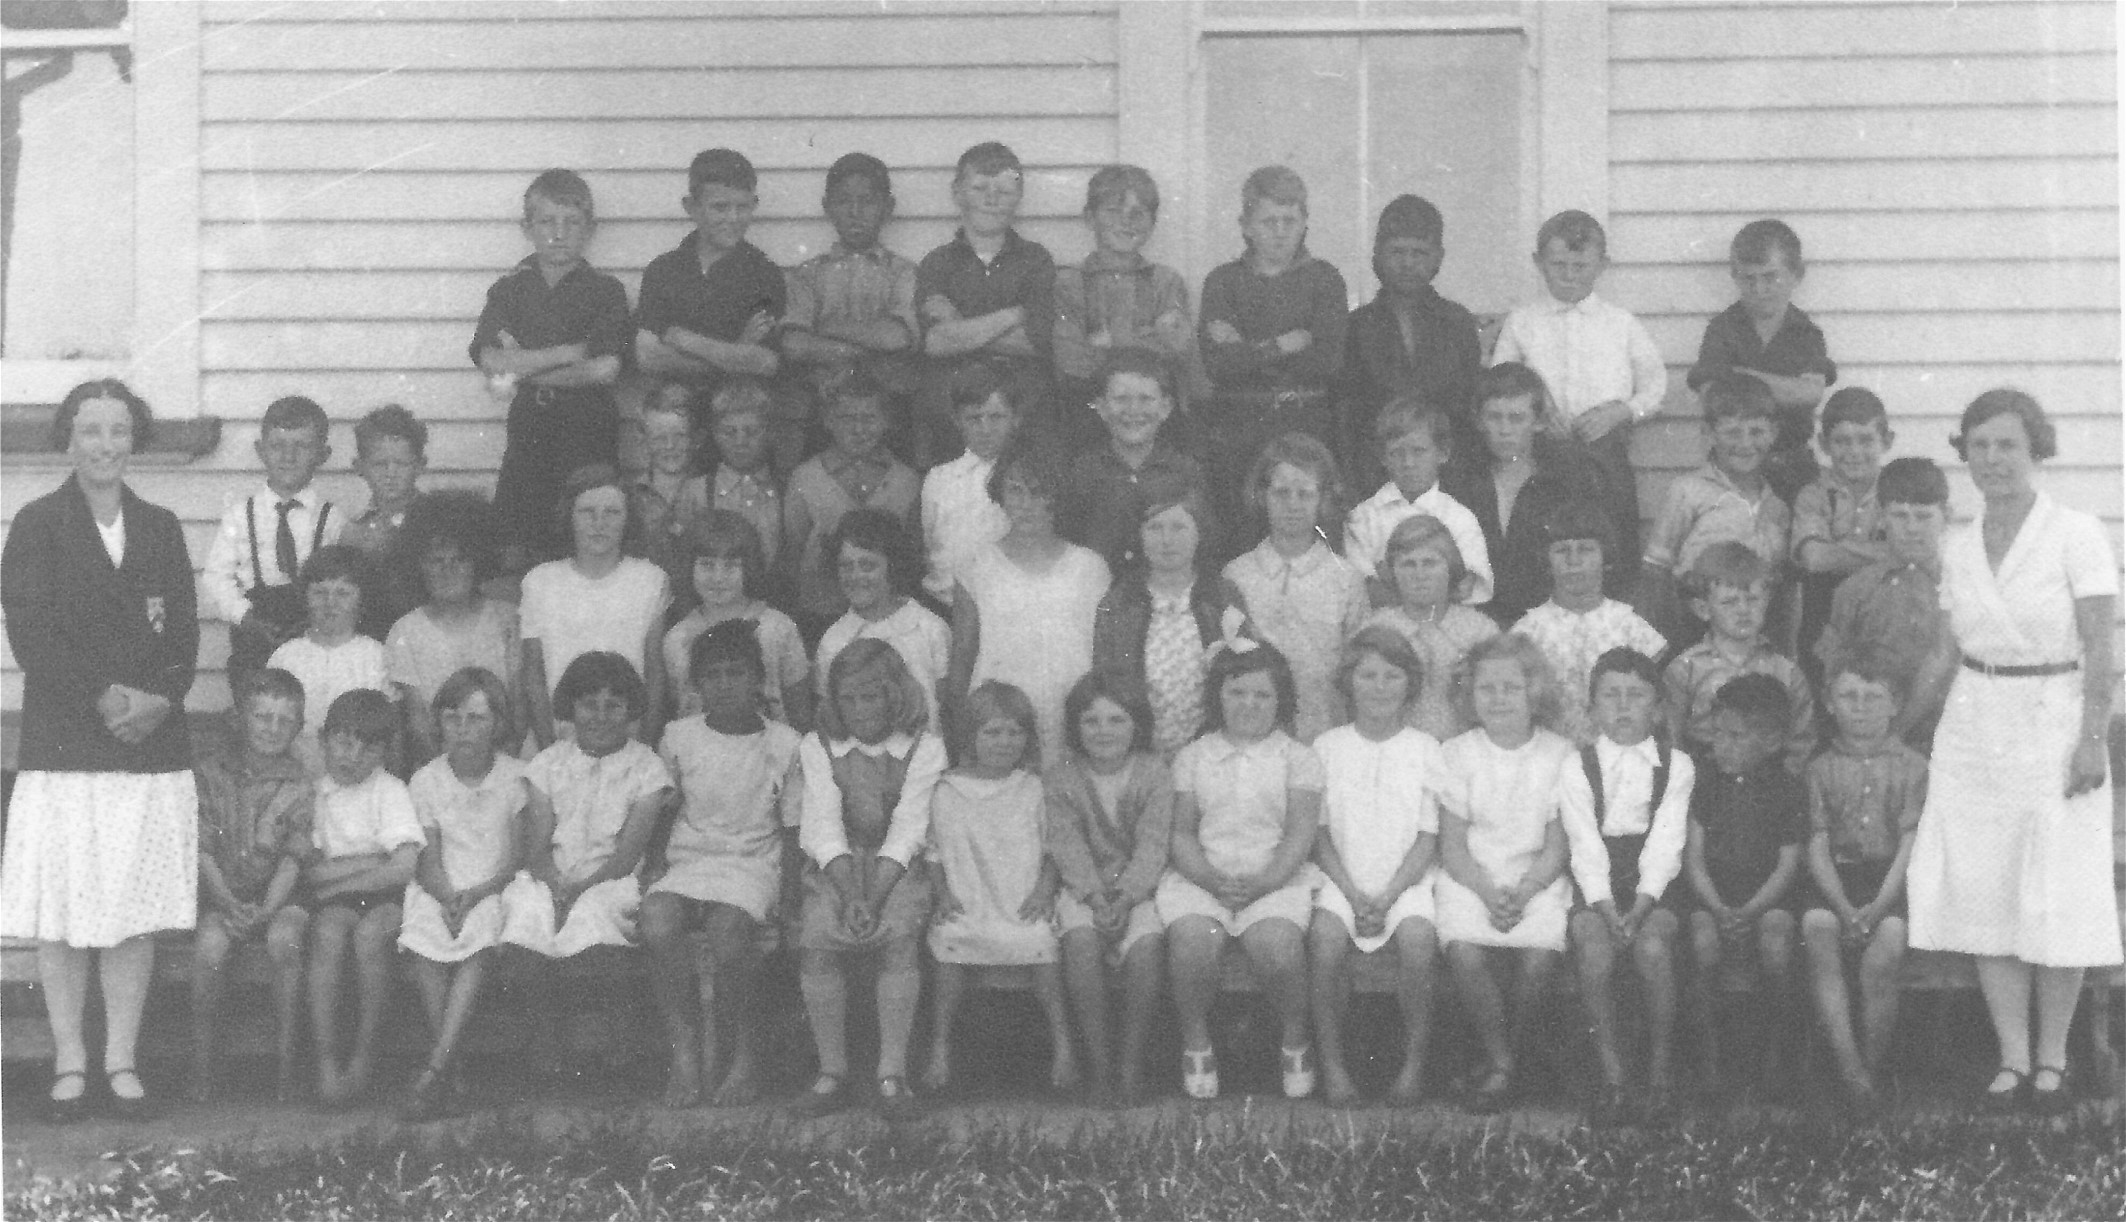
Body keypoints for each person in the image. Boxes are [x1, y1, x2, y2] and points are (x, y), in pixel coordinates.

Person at [1906, 389, 2121, 1114]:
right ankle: (2012, 1057)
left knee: (2056, 889)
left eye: (2007, 445)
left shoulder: (2075, 533)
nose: (1993, 458)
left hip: (2054, 720)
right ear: (1964, 453)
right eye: (1980, 445)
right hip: (1973, 726)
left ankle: (2054, 1059)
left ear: (2036, 451)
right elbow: (1944, 654)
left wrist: (2092, 738)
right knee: (1986, 888)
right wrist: (1903, 727)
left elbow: (2101, 647)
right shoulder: (1958, 544)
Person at [2, 380, 200, 1121]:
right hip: (69, 745)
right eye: (91, 430)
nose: (106, 445)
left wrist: (159, 700)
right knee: (67, 909)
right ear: (69, 439)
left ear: (134, 439)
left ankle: (120, 1059)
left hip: (145, 750)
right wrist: (104, 700)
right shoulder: (37, 524)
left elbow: (183, 634)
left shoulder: (161, 526)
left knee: (130, 906)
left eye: (119, 430)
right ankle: (70, 1061)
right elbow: (32, 634)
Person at [1158, 642, 1324, 1101]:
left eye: (1262, 695)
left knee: (1277, 948)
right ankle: (1196, 1043)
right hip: (1203, 878)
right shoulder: (1194, 757)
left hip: (1274, 877)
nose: (1249, 704)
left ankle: (1294, 1040)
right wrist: (1210, 881)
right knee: (1193, 943)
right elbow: (1181, 834)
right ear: (1218, 697)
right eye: (1236, 693)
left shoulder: (1298, 758)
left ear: (1280, 700)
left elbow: (1300, 834)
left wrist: (1266, 882)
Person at [646, 622, 803, 1109]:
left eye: (736, 673)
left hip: (751, 861)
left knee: (729, 931)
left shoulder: (785, 743)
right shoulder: (679, 736)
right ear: (696, 684)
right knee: (657, 922)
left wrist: (790, 897)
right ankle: (686, 1051)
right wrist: (654, 867)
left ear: (758, 679)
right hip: (692, 858)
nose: (724, 684)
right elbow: (665, 811)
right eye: (712, 675)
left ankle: (743, 1054)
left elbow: (792, 827)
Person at [792, 639, 947, 1122]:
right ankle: (832, 1072)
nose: (859, 709)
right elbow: (821, 827)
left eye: (871, 697)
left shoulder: (924, 747)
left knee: (898, 936)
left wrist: (873, 897)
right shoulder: (818, 746)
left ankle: (891, 1073)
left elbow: (909, 828)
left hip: (895, 867)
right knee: (819, 934)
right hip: (837, 866)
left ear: (895, 695)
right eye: (848, 699)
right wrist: (851, 894)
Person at [499, 652, 673, 1071]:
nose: (600, 717)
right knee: (526, 911)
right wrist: (555, 883)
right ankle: (547, 1030)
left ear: (630, 709)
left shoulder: (646, 767)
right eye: (589, 705)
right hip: (551, 875)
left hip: (612, 878)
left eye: (613, 705)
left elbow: (629, 853)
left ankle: (618, 1030)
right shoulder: (548, 763)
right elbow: (538, 844)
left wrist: (580, 890)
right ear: (571, 707)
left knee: (595, 915)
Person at [1434, 634, 1574, 1111]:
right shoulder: (1457, 753)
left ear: (1534, 691)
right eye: (1486, 688)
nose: (1498, 698)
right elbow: (1452, 845)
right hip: (1472, 878)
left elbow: (1557, 842)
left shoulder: (1559, 753)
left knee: (1539, 960)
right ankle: (1504, 1063)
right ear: (1470, 695)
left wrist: (1527, 889)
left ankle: (1505, 1063)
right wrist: (1488, 891)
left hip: (1538, 877)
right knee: (1465, 953)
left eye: (1511, 688)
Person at [1491, 210, 1666, 586]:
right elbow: (1502, 381)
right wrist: (1538, 412)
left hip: (1604, 457)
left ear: (1602, 265)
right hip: (1542, 456)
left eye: (1580, 266)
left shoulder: (1621, 324)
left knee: (1610, 544)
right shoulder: (1522, 322)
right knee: (1542, 545)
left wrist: (1622, 412)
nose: (1569, 275)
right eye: (1558, 265)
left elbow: (1655, 386)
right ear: (1539, 262)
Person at [1308, 627, 1444, 1105]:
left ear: (1411, 684)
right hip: (1340, 878)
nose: (1380, 686)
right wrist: (1350, 891)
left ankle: (1413, 1067)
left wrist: (1388, 897)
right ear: (1349, 682)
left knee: (1419, 942)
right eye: (1367, 675)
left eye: (1392, 676)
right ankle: (1333, 1068)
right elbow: (1319, 834)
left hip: (1405, 880)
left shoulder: (1426, 749)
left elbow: (1428, 836)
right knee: (1324, 943)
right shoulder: (1326, 747)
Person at [1558, 648, 1693, 1125]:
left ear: (1656, 707)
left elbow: (1667, 840)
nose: (1622, 706)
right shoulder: (1577, 765)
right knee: (1594, 948)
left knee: (1652, 948)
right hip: (1596, 878)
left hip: (1655, 881)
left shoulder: (1677, 765)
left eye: (1636, 695)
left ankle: (1659, 1077)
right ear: (1592, 707)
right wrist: (1603, 906)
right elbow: (1583, 842)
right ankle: (1613, 1077)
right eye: (1610, 695)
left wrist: (1640, 905)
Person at [924, 682, 1077, 1096]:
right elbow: (934, 852)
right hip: (970, 895)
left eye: (1014, 732)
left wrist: (1043, 891)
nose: (1004, 742)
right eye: (992, 732)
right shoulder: (948, 790)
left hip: (1020, 896)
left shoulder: (1032, 787)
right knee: (952, 936)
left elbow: (1052, 850)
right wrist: (942, 894)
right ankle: (940, 1045)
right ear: (970, 736)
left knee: (1039, 938)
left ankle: (1063, 1045)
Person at [473, 169, 629, 569]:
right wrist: (570, 351)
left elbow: (604, 370)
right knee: (518, 545)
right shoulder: (509, 290)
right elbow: (492, 362)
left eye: (572, 223)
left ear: (590, 229)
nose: (559, 234)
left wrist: (522, 367)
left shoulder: (605, 291)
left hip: (588, 426)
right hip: (530, 425)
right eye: (546, 222)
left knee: (586, 539)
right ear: (527, 227)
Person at [396, 668, 526, 1122]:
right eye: (452, 719)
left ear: (497, 723)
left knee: (481, 934)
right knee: (423, 933)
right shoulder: (426, 780)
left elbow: (515, 857)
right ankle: (451, 1071)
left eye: (476, 719)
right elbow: (428, 856)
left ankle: (437, 1068)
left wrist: (476, 895)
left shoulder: (516, 777)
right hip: (441, 886)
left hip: (493, 886)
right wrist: (447, 896)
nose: (463, 729)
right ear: (439, 723)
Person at [1802, 655, 1926, 1111]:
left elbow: (1910, 844)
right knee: (1818, 930)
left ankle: (1872, 1071)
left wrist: (1878, 906)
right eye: (1848, 696)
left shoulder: (1914, 767)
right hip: (1835, 880)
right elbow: (1817, 843)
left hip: (1890, 878)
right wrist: (1841, 905)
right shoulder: (1819, 768)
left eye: (1873, 697)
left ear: (1895, 705)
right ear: (1829, 703)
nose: (1860, 707)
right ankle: (1850, 1069)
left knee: (1884, 951)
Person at [1198, 165, 1349, 536]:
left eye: (1289, 221)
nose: (1280, 231)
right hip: (1240, 427)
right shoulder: (1223, 282)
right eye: (1268, 221)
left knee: (1308, 530)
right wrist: (1284, 344)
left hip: (1306, 422)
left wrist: (1246, 349)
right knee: (1242, 531)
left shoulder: (1325, 280)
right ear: (1246, 225)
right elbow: (1219, 366)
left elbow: (1326, 363)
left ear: (1304, 223)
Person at [1046, 671, 1173, 1106]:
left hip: (1139, 889)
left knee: (1146, 947)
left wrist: (1127, 897)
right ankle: (1099, 1067)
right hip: (1084, 888)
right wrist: (1096, 897)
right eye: (1091, 721)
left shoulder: (1154, 772)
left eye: (1117, 720)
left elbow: (1154, 843)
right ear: (1075, 727)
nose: (1104, 731)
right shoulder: (1062, 775)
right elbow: (1066, 844)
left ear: (1137, 724)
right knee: (1080, 942)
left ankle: (1130, 1065)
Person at [188, 668, 313, 1105]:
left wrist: (267, 909)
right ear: (241, 717)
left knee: (284, 941)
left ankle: (286, 1070)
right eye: (262, 717)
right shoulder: (209, 772)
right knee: (209, 949)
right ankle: (204, 1069)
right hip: (221, 892)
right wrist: (226, 902)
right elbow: (201, 847)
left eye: (284, 720)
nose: (272, 728)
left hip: (281, 896)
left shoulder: (300, 784)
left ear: (298, 727)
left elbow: (293, 858)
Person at [948, 442, 1111, 768]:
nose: (1026, 504)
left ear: (1057, 497)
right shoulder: (976, 567)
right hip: (1003, 722)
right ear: (1001, 493)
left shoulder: (1090, 568)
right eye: (1016, 491)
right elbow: (963, 658)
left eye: (1039, 493)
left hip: (1071, 716)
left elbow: (1105, 656)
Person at [1680, 673, 1805, 1098]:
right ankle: (1710, 1064)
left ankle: (1773, 1059)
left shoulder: (1787, 789)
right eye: (1717, 734)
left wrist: (1750, 911)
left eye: (1735, 736)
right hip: (1712, 894)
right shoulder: (1705, 783)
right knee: (1702, 937)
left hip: (1767, 897)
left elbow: (1787, 865)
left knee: (1776, 937)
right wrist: (1718, 907)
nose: (1721, 745)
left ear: (1771, 742)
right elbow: (1694, 857)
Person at [303, 689, 422, 1106]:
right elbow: (311, 872)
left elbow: (403, 867)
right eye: (342, 742)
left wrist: (340, 878)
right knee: (328, 933)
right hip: (338, 901)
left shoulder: (388, 790)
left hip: (387, 897)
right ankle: (326, 1062)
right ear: (323, 740)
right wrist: (372, 860)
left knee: (371, 935)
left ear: (384, 752)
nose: (352, 756)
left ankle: (363, 1059)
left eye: (368, 747)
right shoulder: (315, 794)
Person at [1222, 432, 1370, 743]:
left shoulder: (1345, 578)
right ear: (1262, 496)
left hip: (1325, 734)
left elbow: (1358, 667)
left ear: (1323, 500)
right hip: (1254, 739)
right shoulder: (1237, 575)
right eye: (1281, 493)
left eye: (1305, 494)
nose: (1292, 505)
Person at [634, 148, 785, 447]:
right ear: (691, 207)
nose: (733, 218)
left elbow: (765, 362)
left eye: (743, 207)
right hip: (677, 426)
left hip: (739, 429)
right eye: (720, 207)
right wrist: (735, 350)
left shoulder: (764, 274)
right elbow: (648, 357)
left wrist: (685, 340)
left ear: (754, 205)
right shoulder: (663, 270)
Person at [916, 141, 1056, 462]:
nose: (991, 200)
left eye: (1003, 191)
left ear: (1019, 195)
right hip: (952, 418)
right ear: (957, 192)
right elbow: (936, 342)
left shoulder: (1036, 260)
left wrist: (961, 327)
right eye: (979, 188)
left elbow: (1037, 341)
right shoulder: (937, 263)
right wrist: (1013, 315)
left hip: (1024, 415)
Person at [780, 152, 921, 464]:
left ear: (887, 207)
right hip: (823, 414)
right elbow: (794, 344)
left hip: (890, 414)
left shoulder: (903, 272)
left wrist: (825, 328)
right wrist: (864, 347)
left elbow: (896, 337)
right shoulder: (808, 275)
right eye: (844, 201)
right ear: (827, 207)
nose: (855, 212)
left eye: (867, 201)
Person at [1442, 363, 1609, 627]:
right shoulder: (1460, 479)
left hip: (1550, 618)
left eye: (1516, 418)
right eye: (1494, 417)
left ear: (1539, 422)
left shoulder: (1566, 480)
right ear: (1479, 421)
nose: (1505, 429)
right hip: (1474, 617)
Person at [520, 464, 672, 750]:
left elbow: (654, 672)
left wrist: (645, 747)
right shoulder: (540, 581)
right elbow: (533, 674)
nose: (599, 523)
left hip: (627, 737)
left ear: (628, 519)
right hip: (559, 736)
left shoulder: (650, 579)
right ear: (570, 517)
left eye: (612, 512)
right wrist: (548, 749)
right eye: (587, 512)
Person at [1053, 165, 1206, 448]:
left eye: (1139, 214)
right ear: (1090, 218)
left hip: (1155, 423)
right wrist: (1146, 340)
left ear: (1153, 222)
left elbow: (1177, 356)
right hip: (1087, 416)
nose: (1126, 222)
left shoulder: (1165, 281)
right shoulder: (1069, 283)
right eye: (1113, 211)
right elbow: (1071, 361)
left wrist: (1105, 344)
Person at [1686, 219, 1838, 505]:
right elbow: (1712, 396)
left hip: (1792, 462)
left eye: (1770, 277)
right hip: (1733, 462)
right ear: (1734, 276)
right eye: (1748, 279)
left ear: (1797, 274)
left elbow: (1809, 394)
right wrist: (1783, 388)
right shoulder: (1722, 329)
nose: (1759, 289)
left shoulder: (1805, 332)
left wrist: (1741, 377)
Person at [1091, 489, 1248, 756]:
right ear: (1139, 535)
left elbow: (1244, 674)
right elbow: (1105, 682)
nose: (1167, 540)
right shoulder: (1119, 603)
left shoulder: (1221, 597)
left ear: (1199, 533)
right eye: (1155, 528)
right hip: (1140, 752)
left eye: (1178, 527)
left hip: (1212, 750)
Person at [1638, 371, 1791, 644]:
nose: (1745, 444)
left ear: (1774, 433)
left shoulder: (1777, 506)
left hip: (1756, 632)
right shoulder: (1688, 491)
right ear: (1708, 433)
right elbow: (1656, 570)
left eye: (1756, 432)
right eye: (1732, 432)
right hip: (1694, 628)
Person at [1340, 195, 1482, 487]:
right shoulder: (1356, 327)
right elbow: (1345, 416)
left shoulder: (1458, 323)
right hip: (1373, 474)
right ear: (1378, 255)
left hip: (1448, 474)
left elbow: (1469, 408)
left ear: (1438, 257)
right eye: (1397, 252)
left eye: (1419, 253)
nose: (1407, 263)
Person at [1815, 457, 1952, 749]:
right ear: (1880, 516)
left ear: (1946, 516)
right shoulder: (1856, 590)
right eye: (1900, 515)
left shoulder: (1962, 586)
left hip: (1950, 735)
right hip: (1873, 742)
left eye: (1924, 516)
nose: (1912, 528)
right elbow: (1834, 670)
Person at [203, 394, 340, 681]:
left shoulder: (332, 519)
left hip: (311, 636)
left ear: (322, 454)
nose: (288, 457)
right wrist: (245, 616)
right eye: (278, 446)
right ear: (260, 450)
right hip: (254, 637)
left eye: (302, 446)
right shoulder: (240, 517)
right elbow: (216, 579)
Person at [1510, 501, 1667, 746]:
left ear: (1606, 557)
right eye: (1562, 550)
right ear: (1546, 560)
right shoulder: (1527, 632)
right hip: (1550, 753)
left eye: (1585, 549)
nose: (1573, 560)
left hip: (1617, 753)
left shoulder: (1631, 627)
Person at [385, 491, 520, 766]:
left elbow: (518, 706)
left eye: (460, 559)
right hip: (439, 769)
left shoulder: (507, 619)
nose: (448, 570)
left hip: (506, 764)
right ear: (419, 566)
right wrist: (455, 774)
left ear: (478, 562)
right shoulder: (405, 631)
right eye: (436, 560)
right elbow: (419, 725)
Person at [783, 372, 921, 631]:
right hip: (821, 614)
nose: (858, 429)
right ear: (828, 421)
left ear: (886, 421)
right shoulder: (806, 478)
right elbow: (794, 550)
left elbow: (911, 557)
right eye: (847, 418)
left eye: (869, 419)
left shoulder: (906, 481)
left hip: (888, 618)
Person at [1663, 543, 1815, 771]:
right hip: (1704, 774)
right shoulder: (1685, 669)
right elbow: (1672, 737)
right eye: (1729, 602)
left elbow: (1801, 741)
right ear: (1703, 609)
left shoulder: (1786, 672)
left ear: (1767, 601)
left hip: (1769, 776)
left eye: (1753, 599)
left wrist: (1785, 778)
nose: (1743, 610)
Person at [1060, 347, 1209, 574]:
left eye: (1146, 399)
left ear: (1165, 408)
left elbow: (1204, 547)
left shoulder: (1186, 472)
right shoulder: (1082, 471)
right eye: (1121, 399)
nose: (1133, 410)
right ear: (1101, 407)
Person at [661, 511, 812, 729]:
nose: (718, 578)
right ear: (689, 567)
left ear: (749, 567)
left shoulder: (778, 628)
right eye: (707, 565)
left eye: (731, 566)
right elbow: (680, 706)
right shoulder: (676, 639)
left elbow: (799, 710)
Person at [1341, 397, 1491, 607]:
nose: (1408, 463)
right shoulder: (1363, 518)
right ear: (1383, 457)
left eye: (1419, 451)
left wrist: (1391, 580)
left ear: (1443, 453)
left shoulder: (1460, 518)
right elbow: (1363, 588)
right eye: (1397, 453)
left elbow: (1464, 588)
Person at [1361, 515, 1499, 742]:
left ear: (1450, 568)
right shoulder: (1377, 629)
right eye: (1408, 564)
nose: (1419, 575)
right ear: (1392, 572)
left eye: (1430, 563)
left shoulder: (1480, 631)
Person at [814, 508, 953, 733]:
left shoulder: (930, 628)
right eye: (846, 566)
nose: (856, 576)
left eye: (867, 566)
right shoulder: (833, 640)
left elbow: (949, 709)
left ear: (893, 566)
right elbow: (832, 719)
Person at [1790, 387, 1892, 688]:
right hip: (1826, 621)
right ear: (1823, 444)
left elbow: (1922, 551)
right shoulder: (1814, 494)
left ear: (1887, 441)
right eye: (1842, 441)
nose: (1854, 452)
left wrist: (1839, 549)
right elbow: (1815, 558)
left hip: (1886, 618)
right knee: (1824, 693)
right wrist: (1888, 552)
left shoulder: (1898, 490)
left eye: (1865, 440)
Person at [268, 544, 391, 773]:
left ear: (361, 599)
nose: (330, 603)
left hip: (359, 778)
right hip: (297, 777)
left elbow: (390, 732)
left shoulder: (376, 656)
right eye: (319, 593)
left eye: (343, 593)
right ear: (305, 597)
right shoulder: (285, 656)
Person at [920, 362, 1015, 606]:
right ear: (957, 420)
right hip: (945, 605)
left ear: (1015, 419)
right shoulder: (939, 479)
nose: (985, 429)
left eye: (996, 417)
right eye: (974, 418)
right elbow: (930, 545)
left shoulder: (1024, 479)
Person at [338, 404, 429, 639]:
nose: (391, 473)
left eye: (402, 464)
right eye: (380, 464)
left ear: (420, 465)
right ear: (359, 467)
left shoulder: (434, 521)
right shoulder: (353, 531)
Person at [629, 389, 712, 601]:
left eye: (680, 436)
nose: (669, 446)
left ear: (697, 439)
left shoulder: (711, 491)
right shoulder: (629, 495)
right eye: (659, 438)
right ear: (643, 440)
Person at [697, 378, 786, 574]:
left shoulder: (784, 490)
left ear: (769, 433)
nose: (740, 442)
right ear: (715, 433)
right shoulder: (698, 490)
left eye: (751, 432)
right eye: (729, 432)